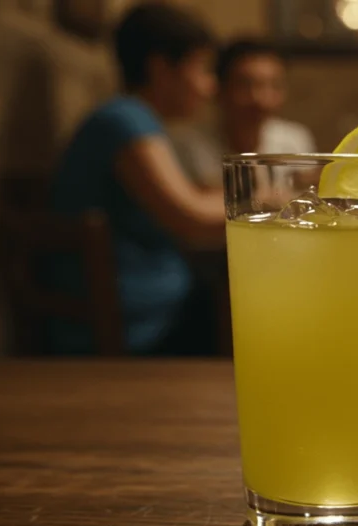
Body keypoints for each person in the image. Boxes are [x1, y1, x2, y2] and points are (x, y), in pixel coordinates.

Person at [46, 2, 224, 355]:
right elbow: (192, 218)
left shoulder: (133, 120)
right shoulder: (126, 119)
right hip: (138, 325)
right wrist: (267, 198)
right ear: (160, 68)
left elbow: (184, 198)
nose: (209, 86)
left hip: (147, 308)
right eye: (201, 69)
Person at [170, 39, 315, 189]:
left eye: (275, 85)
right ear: (220, 89)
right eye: (246, 85)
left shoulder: (295, 138)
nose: (262, 99)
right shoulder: (186, 144)